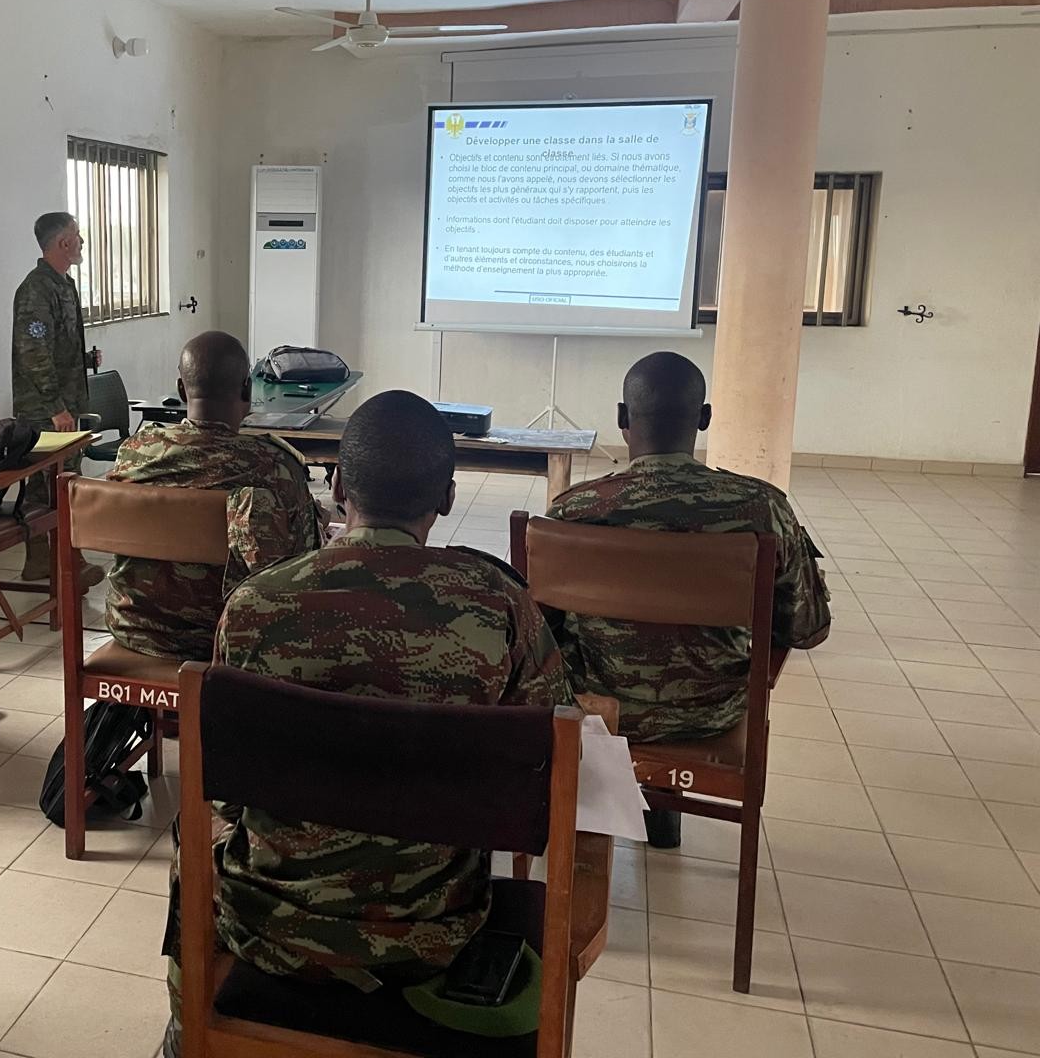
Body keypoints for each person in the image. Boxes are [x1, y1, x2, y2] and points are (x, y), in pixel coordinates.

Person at [163, 391, 568, 1055]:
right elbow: (544, 761)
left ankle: (188, 1036)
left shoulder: (254, 604)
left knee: (191, 837)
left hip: (269, 927)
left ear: (339, 486)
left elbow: (228, 792)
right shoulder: (496, 605)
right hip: (434, 936)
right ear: (447, 497)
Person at [547, 351, 831, 845]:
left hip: (597, 707)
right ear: (704, 418)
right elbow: (807, 629)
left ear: (622, 418)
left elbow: (542, 628)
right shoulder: (762, 509)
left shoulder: (575, 510)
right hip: (711, 712)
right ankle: (661, 810)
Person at [106, 330, 319, 662]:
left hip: (137, 628)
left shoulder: (134, 454)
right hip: (236, 640)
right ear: (247, 390)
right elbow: (303, 565)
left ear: (181, 390)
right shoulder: (275, 466)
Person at [12, 211, 103, 587]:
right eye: (77, 235)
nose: (82, 241)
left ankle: (49, 561)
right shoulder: (36, 290)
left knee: (58, 483)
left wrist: (85, 360)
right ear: (64, 242)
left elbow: (56, 345)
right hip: (45, 411)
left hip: (64, 403)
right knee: (52, 486)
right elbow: (33, 352)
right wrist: (56, 408)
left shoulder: (63, 284)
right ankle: (62, 563)